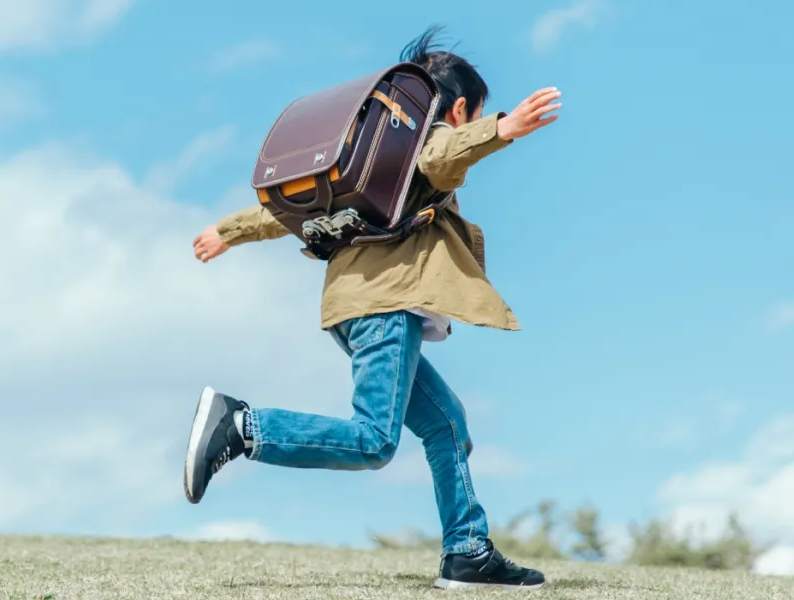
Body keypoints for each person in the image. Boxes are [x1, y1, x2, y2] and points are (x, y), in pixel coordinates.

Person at [181, 25, 562, 591]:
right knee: (373, 441)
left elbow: (287, 208)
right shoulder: (425, 143)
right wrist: (503, 129)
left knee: (447, 425)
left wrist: (227, 231)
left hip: (353, 306)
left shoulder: (372, 157)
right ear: (459, 109)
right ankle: (241, 426)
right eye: (476, 114)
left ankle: (467, 552)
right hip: (385, 305)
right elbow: (443, 153)